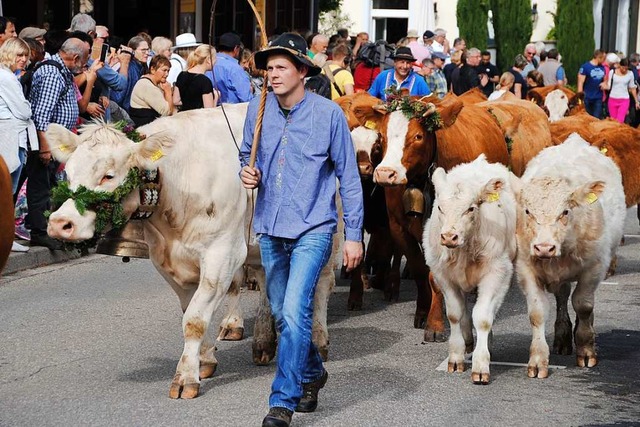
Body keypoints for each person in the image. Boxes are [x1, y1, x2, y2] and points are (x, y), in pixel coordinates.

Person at [239, 32, 363, 427]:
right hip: (271, 226)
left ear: (302, 72)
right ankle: (312, 373)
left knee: (295, 312)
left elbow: (349, 177)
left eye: (280, 67)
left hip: (314, 226)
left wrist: (355, 234)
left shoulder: (328, 115)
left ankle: (282, 401)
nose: (271, 75)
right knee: (280, 313)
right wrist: (246, 171)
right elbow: (247, 154)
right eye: (268, 68)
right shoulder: (258, 112)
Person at [26, 37, 88, 250]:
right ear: (76, 57)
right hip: (47, 143)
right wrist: (45, 146)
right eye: (85, 58)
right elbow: (41, 114)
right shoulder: (52, 73)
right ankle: (40, 231)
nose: (86, 63)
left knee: (51, 186)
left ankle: (48, 229)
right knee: (41, 187)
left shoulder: (62, 71)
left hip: (56, 143)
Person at [0, 37, 36, 252]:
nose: (23, 59)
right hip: (11, 137)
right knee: (8, 191)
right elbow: (24, 111)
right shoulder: (5, 77)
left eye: (25, 56)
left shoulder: (9, 76)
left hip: (13, 135)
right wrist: (26, 109)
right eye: (19, 55)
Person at [207, 32, 251, 104]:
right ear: (236, 48)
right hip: (231, 112)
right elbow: (246, 98)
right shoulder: (235, 69)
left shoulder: (208, 62)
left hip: (208, 111)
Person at [129, 55, 173, 126]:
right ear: (152, 69)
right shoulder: (147, 86)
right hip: (145, 130)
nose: (167, 74)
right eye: (164, 70)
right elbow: (167, 112)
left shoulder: (155, 84)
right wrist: (168, 92)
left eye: (168, 71)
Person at [173, 44, 218, 111]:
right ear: (208, 59)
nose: (216, 62)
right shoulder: (205, 81)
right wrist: (216, 97)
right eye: (215, 59)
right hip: (198, 119)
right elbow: (209, 112)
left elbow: (175, 101)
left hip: (183, 117)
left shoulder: (182, 75)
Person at [111, 35, 149, 112]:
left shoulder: (142, 67)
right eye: (143, 50)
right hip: (126, 114)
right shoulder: (129, 69)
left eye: (148, 50)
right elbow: (118, 97)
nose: (147, 53)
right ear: (133, 51)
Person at [603, 58, 639, 124]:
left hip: (624, 99)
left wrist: (636, 101)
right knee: (613, 120)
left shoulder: (630, 74)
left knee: (620, 120)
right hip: (613, 98)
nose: (624, 70)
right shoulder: (612, 72)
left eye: (626, 68)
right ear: (620, 65)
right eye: (623, 68)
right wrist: (604, 85)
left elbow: (632, 88)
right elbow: (609, 85)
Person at [577, 49, 606, 119]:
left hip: (598, 97)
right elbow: (580, 82)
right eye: (603, 58)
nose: (604, 61)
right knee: (587, 118)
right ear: (598, 57)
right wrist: (579, 97)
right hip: (587, 97)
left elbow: (605, 80)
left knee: (596, 118)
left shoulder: (602, 68)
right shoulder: (585, 67)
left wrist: (604, 84)